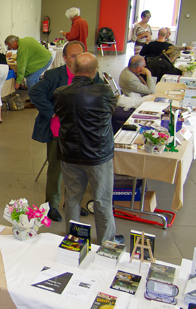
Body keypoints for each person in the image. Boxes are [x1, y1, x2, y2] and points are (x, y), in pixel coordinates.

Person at [29, 41, 104, 222]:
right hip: (59, 132)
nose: (78, 59)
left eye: (80, 55)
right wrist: (52, 111)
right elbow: (35, 92)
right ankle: (51, 205)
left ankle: (72, 203)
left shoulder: (92, 75)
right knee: (56, 171)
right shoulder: (55, 75)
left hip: (81, 134)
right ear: (64, 58)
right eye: (73, 56)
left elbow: (102, 94)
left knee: (77, 172)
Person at [54, 53, 123, 244]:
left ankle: (75, 239)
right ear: (95, 71)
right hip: (98, 155)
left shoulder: (60, 92)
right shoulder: (105, 92)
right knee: (102, 200)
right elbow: (110, 112)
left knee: (72, 198)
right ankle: (107, 242)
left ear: (74, 69)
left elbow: (61, 115)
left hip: (70, 154)